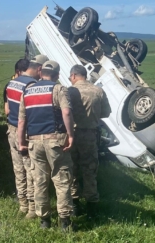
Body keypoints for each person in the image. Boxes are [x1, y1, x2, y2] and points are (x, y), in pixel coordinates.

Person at [17, 60, 76, 231]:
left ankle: (44, 220)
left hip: (34, 142)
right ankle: (64, 221)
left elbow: (21, 121)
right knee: (61, 179)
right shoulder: (58, 89)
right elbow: (66, 112)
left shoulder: (27, 91)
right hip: (55, 140)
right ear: (57, 75)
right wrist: (70, 135)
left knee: (40, 181)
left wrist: (22, 143)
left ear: (41, 73)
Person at [4, 55, 48, 219]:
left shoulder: (12, 82)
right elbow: (34, 113)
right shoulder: (31, 86)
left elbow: (8, 109)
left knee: (18, 170)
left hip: (12, 130)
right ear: (39, 69)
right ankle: (31, 208)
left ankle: (22, 204)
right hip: (26, 133)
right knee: (31, 170)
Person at [67, 65, 111, 217]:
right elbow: (106, 112)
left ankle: (75, 205)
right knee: (90, 169)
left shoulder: (69, 91)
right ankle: (92, 207)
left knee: (72, 169)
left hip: (72, 135)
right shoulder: (98, 91)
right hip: (91, 135)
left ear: (73, 76)